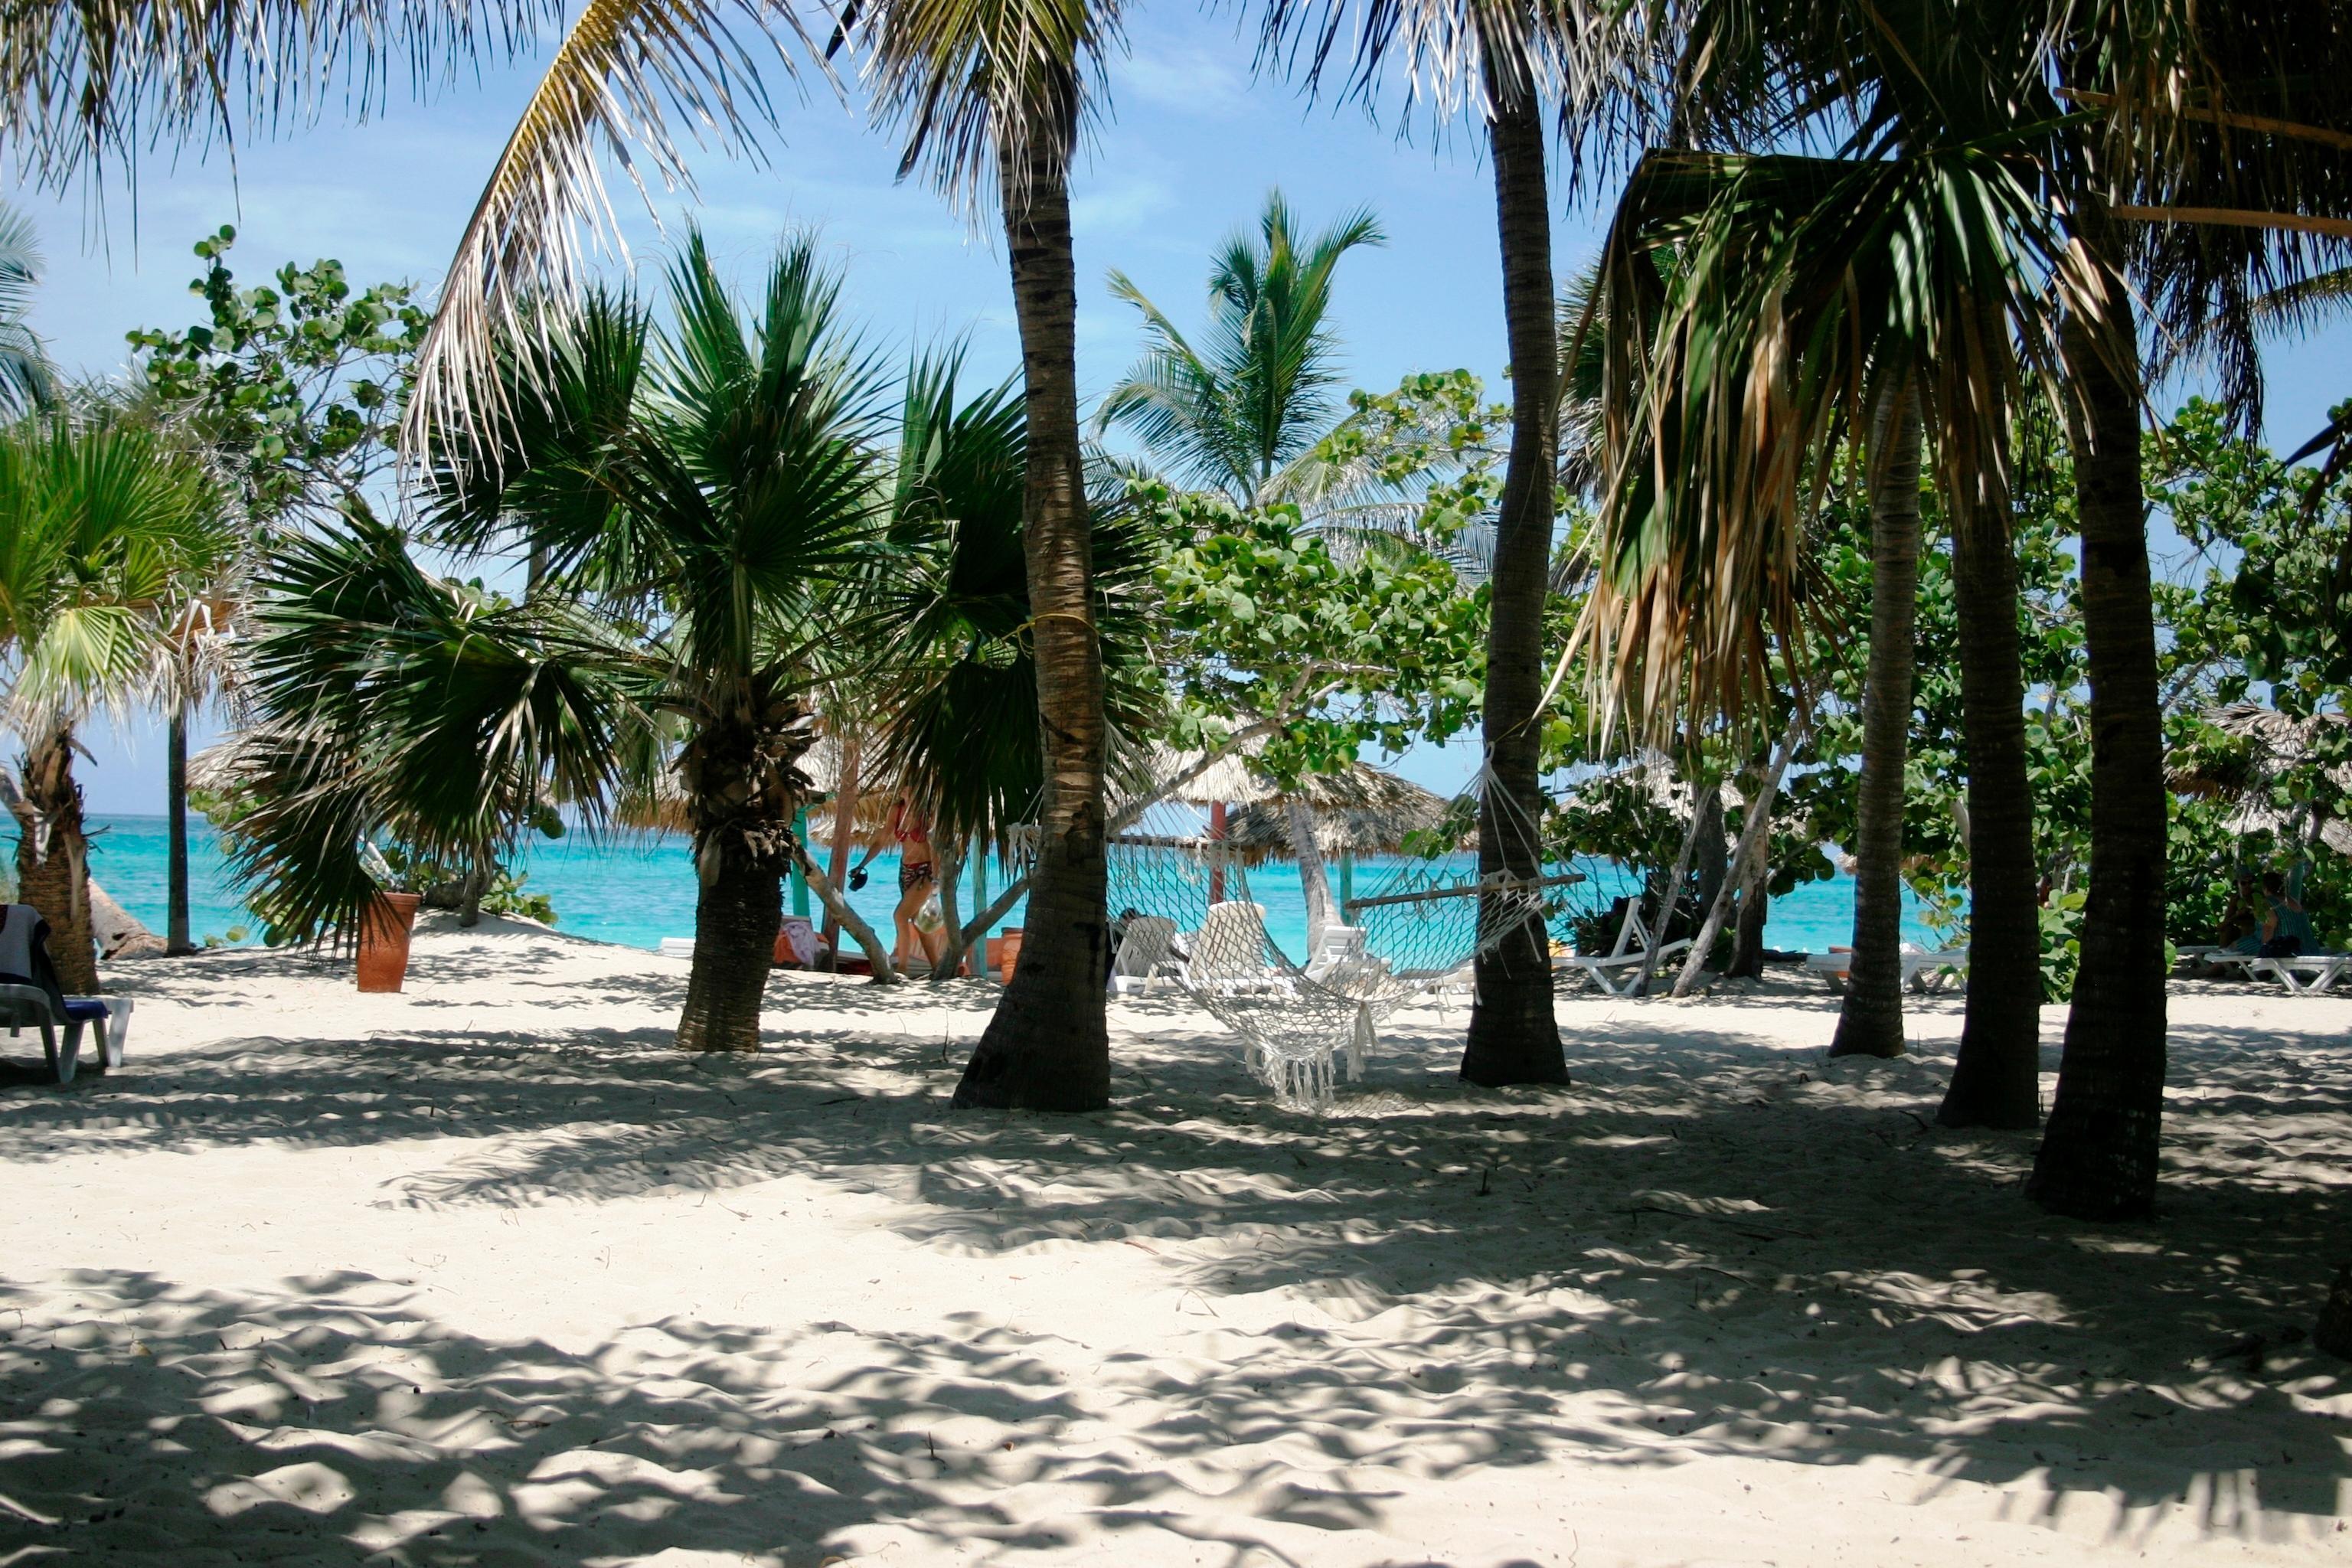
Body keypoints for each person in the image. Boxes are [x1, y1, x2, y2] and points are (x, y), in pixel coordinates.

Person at [887, 795, 943, 973]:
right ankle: (938, 969)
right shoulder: (896, 811)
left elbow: (936, 846)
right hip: (905, 872)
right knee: (919, 923)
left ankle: (902, 969)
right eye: (905, 785)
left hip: (924, 872)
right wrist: (863, 864)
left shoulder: (927, 813)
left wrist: (936, 877)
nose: (908, 790)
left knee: (900, 916)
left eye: (912, 786)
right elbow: (881, 838)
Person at [2259, 862, 2320, 959]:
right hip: (2312, 952)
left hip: (2291, 954)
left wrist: (2263, 952)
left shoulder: (2268, 903)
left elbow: (2270, 925)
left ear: (2265, 889)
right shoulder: (2293, 901)